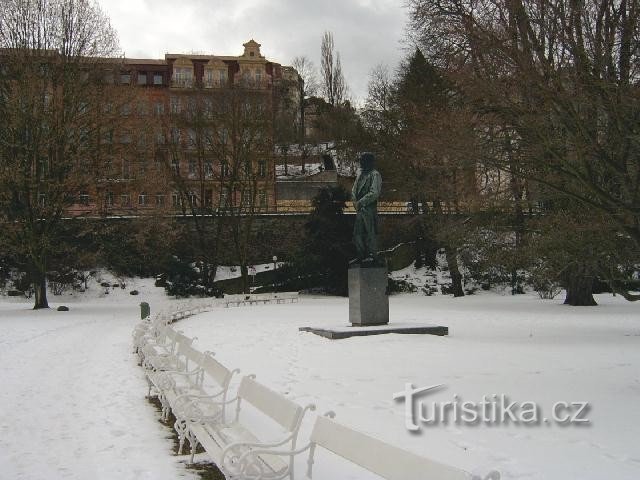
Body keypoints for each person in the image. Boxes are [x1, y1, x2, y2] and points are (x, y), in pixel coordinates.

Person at [351, 152, 382, 265]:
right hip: (360, 209)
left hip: (369, 209)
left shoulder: (375, 175)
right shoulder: (360, 174)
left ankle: (371, 255)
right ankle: (361, 255)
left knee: (370, 233)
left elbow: (374, 192)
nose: (361, 163)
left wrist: (361, 202)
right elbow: (354, 191)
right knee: (357, 234)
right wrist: (355, 203)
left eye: (363, 161)